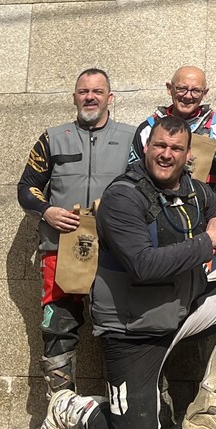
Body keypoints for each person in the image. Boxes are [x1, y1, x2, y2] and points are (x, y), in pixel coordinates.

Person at [35, 115, 216, 429]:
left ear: (188, 155)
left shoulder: (196, 190)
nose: (167, 154)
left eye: (176, 148)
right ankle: (69, 408)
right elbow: (143, 266)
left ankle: (208, 407)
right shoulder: (122, 197)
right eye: (160, 146)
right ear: (146, 148)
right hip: (134, 330)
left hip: (182, 310)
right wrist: (208, 241)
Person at [16, 68, 134, 396]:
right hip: (60, 250)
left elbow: (146, 187)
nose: (90, 97)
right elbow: (26, 187)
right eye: (84, 91)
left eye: (97, 91)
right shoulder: (52, 138)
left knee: (121, 331)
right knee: (57, 329)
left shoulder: (133, 138)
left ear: (110, 98)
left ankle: (124, 409)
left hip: (114, 253)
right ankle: (61, 406)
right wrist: (46, 211)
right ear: (74, 97)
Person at [129, 65, 216, 181]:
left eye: (196, 91)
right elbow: (133, 171)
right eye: (181, 88)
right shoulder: (148, 128)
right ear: (169, 88)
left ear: (204, 93)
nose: (188, 96)